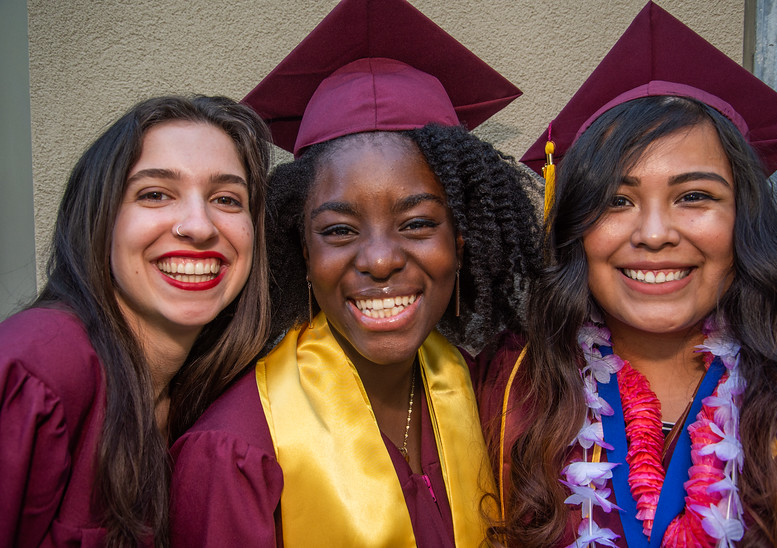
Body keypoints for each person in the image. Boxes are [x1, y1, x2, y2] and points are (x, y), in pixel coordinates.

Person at [169, 0, 542, 546]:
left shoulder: (487, 398)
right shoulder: (239, 449)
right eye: (340, 231)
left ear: (461, 243)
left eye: (416, 224)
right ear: (302, 251)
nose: (381, 259)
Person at [473, 3, 777, 547]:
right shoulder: (504, 390)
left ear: (745, 216)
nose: (653, 233)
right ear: (576, 226)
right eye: (615, 200)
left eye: (694, 196)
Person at [0, 95, 272, 547]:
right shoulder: (38, 366)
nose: (198, 226)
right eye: (155, 194)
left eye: (226, 198)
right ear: (101, 217)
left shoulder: (209, 403)